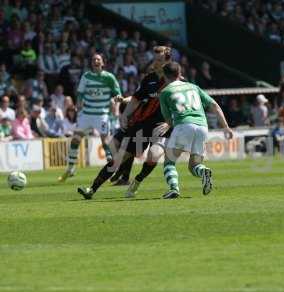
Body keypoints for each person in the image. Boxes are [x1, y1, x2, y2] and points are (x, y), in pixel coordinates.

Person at [77, 46, 172, 199]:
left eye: (160, 60)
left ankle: (137, 180)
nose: (156, 62)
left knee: (153, 156)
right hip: (142, 127)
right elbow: (135, 99)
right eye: (155, 59)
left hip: (161, 127)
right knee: (118, 158)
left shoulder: (175, 81)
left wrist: (171, 122)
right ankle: (92, 190)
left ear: (168, 61)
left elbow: (181, 106)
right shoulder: (149, 79)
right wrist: (124, 116)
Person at [159, 62, 233, 199]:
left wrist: (166, 125)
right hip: (202, 127)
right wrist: (226, 127)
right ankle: (204, 171)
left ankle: (174, 188)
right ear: (180, 73)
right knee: (194, 165)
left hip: (184, 125)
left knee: (169, 161)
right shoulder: (194, 87)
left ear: (164, 76)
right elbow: (214, 105)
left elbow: (169, 119)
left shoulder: (165, 92)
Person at [58, 53, 121, 182]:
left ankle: (112, 169)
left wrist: (116, 106)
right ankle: (70, 169)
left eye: (98, 59)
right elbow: (80, 93)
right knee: (75, 140)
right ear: (91, 63)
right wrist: (79, 103)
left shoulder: (109, 77)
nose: (95, 61)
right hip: (86, 114)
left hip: (102, 114)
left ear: (103, 63)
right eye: (93, 59)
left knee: (105, 141)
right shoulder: (86, 76)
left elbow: (118, 94)